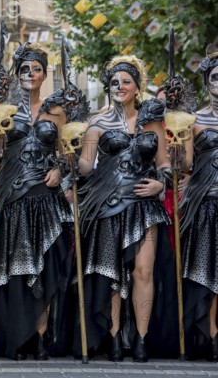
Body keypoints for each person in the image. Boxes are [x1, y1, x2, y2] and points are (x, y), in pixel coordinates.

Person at [0, 42, 73, 360]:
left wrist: (61, 170)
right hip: (13, 198)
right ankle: (20, 337)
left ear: (45, 74)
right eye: (24, 69)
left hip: (47, 199)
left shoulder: (57, 111)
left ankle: (42, 334)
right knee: (17, 270)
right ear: (17, 75)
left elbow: (66, 154)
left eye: (36, 69)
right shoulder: (3, 110)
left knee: (47, 268)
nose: (30, 74)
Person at [76, 55, 172, 362]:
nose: (120, 87)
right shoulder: (97, 123)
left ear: (137, 86)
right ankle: (115, 337)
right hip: (108, 207)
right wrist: (69, 157)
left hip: (144, 207)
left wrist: (161, 184)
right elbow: (86, 167)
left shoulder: (152, 121)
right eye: (115, 82)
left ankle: (141, 339)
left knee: (143, 271)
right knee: (113, 273)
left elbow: (164, 162)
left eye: (126, 81)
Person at [181, 50, 218, 359]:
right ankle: (211, 334)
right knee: (205, 272)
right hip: (204, 203)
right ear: (207, 82)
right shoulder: (194, 120)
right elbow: (188, 165)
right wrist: (178, 152)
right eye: (215, 77)